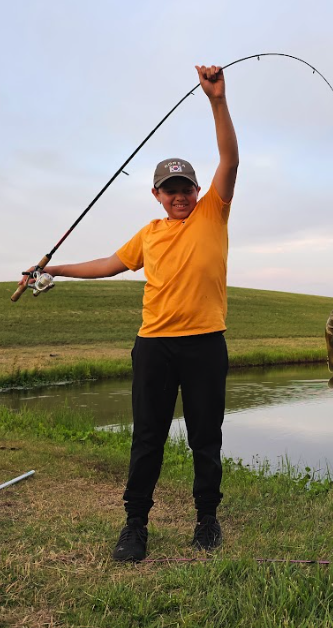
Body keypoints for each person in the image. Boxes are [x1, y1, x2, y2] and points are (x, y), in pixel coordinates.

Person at [20, 65, 239, 562]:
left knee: (207, 436)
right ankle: (134, 524)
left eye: (187, 187)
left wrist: (217, 102)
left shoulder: (213, 213)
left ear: (200, 191)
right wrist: (55, 269)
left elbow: (230, 157)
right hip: (155, 346)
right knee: (148, 439)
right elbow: (109, 263)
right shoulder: (149, 233)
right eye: (171, 188)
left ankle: (207, 519)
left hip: (206, 343)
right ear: (157, 194)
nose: (180, 195)